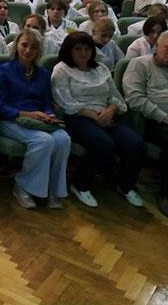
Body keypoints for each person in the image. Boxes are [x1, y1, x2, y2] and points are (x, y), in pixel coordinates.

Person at [51, 32, 145, 208]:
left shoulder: (101, 68)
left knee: (135, 144)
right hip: (78, 118)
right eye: (78, 49)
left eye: (87, 49)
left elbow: (115, 97)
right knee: (104, 144)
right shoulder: (62, 69)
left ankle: (125, 186)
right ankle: (80, 185)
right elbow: (65, 102)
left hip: (106, 115)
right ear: (69, 50)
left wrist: (110, 110)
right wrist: (95, 116)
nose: (83, 53)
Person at [0, 30, 70, 209]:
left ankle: (52, 188)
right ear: (16, 46)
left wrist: (49, 114)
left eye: (33, 47)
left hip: (39, 119)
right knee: (43, 141)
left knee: (63, 139)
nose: (28, 50)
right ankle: (22, 185)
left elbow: (46, 102)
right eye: (24, 45)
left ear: (38, 51)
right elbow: (1, 105)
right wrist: (28, 114)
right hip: (11, 119)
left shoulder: (43, 73)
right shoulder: (4, 70)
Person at [122, 31, 168, 216]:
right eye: (167, 48)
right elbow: (135, 99)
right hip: (152, 120)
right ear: (157, 46)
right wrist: (163, 117)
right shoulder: (140, 64)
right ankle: (166, 193)